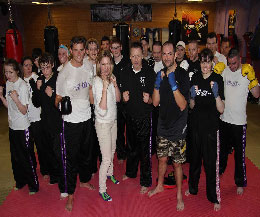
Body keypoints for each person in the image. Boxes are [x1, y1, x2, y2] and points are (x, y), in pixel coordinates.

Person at [55, 36, 95, 211]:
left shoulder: (88, 65)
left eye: (81, 50)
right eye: (76, 50)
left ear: (85, 50)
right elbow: (56, 99)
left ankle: (85, 180)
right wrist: (62, 104)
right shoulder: (64, 72)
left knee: (86, 154)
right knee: (71, 159)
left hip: (87, 118)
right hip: (71, 121)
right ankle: (70, 195)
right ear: (71, 51)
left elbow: (91, 88)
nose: (79, 53)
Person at [148, 41, 189, 211]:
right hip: (163, 125)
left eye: (169, 53)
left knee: (177, 163)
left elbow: (183, 105)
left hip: (178, 126)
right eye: (163, 54)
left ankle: (179, 194)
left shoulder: (182, 75)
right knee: (162, 158)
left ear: (176, 55)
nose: (166, 57)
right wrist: (157, 85)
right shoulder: (160, 73)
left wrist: (173, 86)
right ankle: (160, 185)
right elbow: (155, 103)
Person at [185, 48, 224, 211]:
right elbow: (192, 106)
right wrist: (192, 97)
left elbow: (221, 109)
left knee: (210, 164)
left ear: (212, 63)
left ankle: (213, 196)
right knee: (194, 161)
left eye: (208, 62)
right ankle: (193, 188)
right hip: (195, 127)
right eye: (202, 62)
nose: (205, 65)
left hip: (210, 129)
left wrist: (216, 95)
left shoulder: (218, 79)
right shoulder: (195, 77)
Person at [219, 48, 259, 195]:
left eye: (234, 63)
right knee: (222, 151)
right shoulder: (225, 71)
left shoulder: (247, 72)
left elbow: (256, 94)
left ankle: (240, 182)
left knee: (239, 155)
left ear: (240, 59)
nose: (232, 66)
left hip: (239, 122)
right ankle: (220, 171)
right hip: (224, 119)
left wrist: (253, 78)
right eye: (229, 63)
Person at [120, 42, 155, 194]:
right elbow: (120, 95)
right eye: (133, 56)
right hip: (130, 116)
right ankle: (131, 172)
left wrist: (150, 100)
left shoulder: (149, 72)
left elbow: (156, 99)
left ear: (143, 56)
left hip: (145, 117)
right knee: (131, 148)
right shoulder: (125, 72)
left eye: (138, 56)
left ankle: (146, 181)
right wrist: (123, 98)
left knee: (144, 151)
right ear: (129, 56)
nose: (136, 59)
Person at [0, 59, 39, 194]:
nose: (8, 75)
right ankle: (20, 181)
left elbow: (24, 110)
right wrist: (1, 96)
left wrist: (16, 99)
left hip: (23, 128)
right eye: (6, 72)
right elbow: (9, 106)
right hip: (12, 127)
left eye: (11, 72)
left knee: (27, 157)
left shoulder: (22, 85)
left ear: (17, 70)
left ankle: (33, 185)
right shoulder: (8, 83)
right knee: (15, 158)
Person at [93, 50, 121, 201]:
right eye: (102, 64)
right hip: (103, 124)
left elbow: (118, 99)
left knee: (112, 150)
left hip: (113, 121)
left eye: (108, 64)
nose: (105, 67)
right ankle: (102, 189)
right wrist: (104, 88)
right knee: (106, 158)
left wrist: (114, 85)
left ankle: (110, 174)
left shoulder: (111, 78)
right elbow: (102, 110)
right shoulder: (97, 82)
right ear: (98, 65)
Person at [31, 53, 61, 186]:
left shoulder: (58, 79)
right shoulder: (40, 80)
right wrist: (37, 89)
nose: (45, 71)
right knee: (48, 149)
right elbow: (36, 103)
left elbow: (63, 102)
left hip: (56, 121)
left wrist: (52, 95)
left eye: (47, 67)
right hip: (44, 121)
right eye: (42, 68)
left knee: (57, 150)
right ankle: (54, 175)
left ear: (52, 65)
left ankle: (61, 175)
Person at [22, 56, 45, 177]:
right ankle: (32, 168)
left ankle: (45, 170)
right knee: (28, 147)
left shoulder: (37, 78)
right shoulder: (20, 81)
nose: (29, 67)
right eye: (26, 65)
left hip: (37, 118)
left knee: (41, 146)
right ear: (22, 67)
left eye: (30, 65)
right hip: (25, 119)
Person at [110, 37, 129, 163]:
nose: (116, 50)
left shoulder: (127, 61)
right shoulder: (109, 63)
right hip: (114, 101)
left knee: (131, 129)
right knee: (118, 129)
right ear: (110, 49)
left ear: (121, 48)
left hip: (127, 101)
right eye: (113, 48)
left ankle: (131, 151)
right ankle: (121, 153)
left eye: (117, 47)